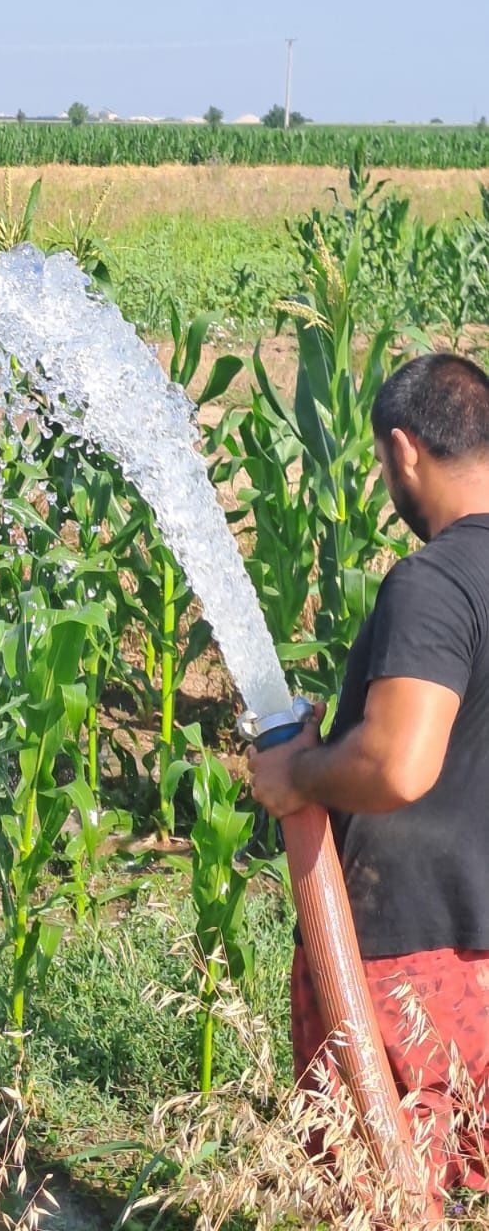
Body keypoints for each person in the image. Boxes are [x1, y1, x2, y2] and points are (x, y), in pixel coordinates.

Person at [249, 352, 489, 1202]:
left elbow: (397, 763)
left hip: (409, 960)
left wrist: (301, 773)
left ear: (404, 450)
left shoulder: (435, 582)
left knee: (385, 1197)